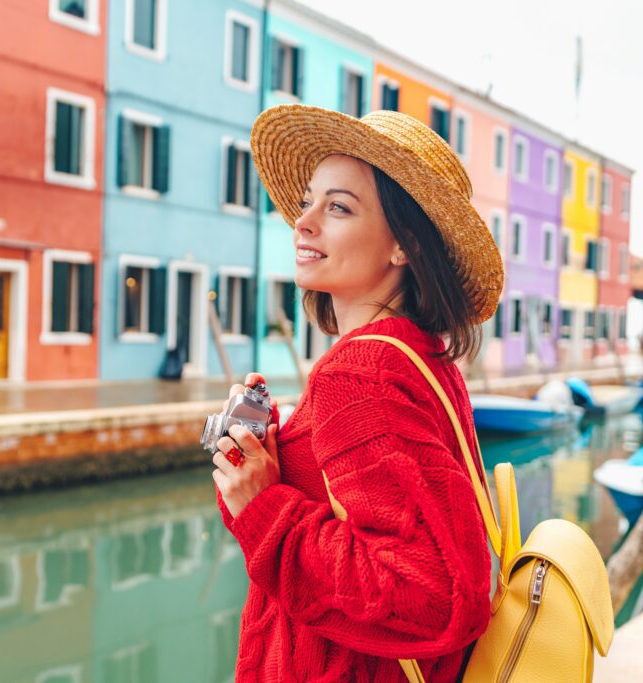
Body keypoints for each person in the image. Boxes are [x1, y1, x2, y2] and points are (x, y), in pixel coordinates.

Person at [210, 105, 504, 682]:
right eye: (307, 203)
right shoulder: (418, 356)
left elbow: (435, 596)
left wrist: (265, 509)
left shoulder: (360, 374)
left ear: (404, 247)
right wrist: (262, 469)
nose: (304, 222)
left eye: (338, 207)